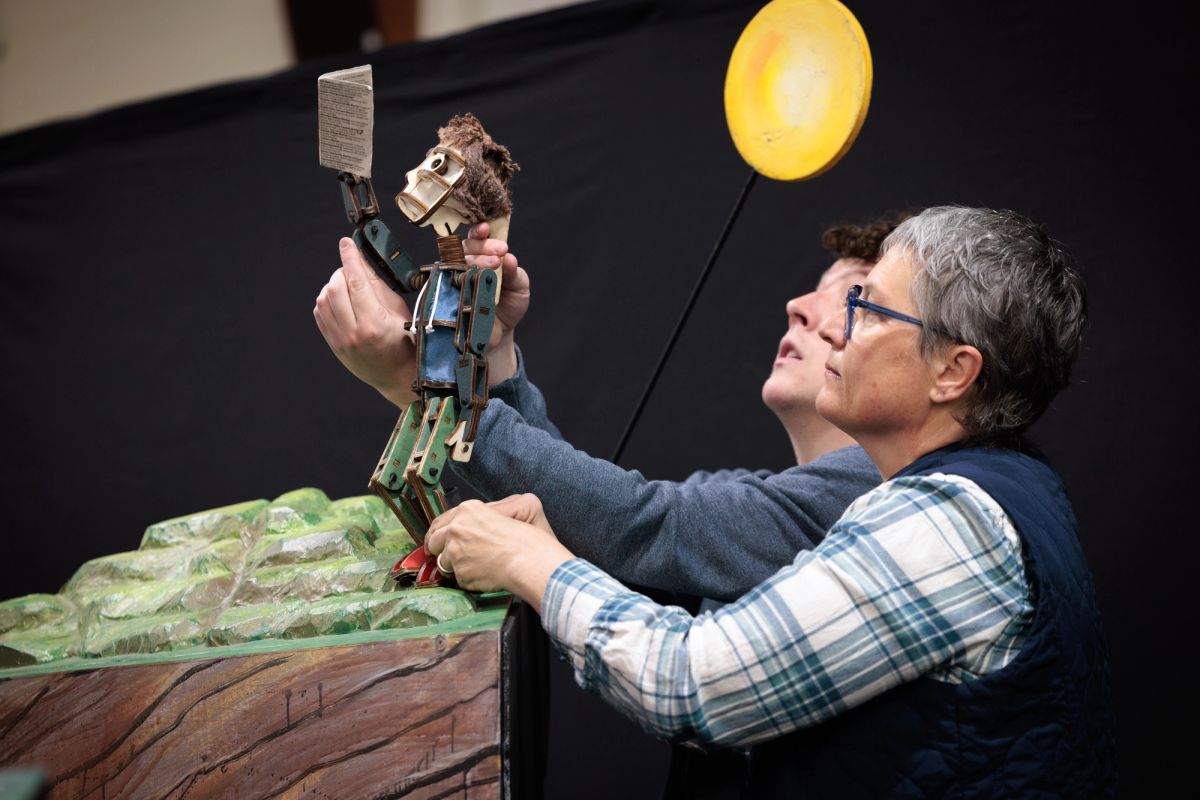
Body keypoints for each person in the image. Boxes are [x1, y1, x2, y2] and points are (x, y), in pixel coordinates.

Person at [422, 206, 1117, 797]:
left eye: (866, 308)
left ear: (953, 371)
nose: (837, 328)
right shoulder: (976, 493)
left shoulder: (945, 522)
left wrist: (532, 562)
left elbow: (692, 685)